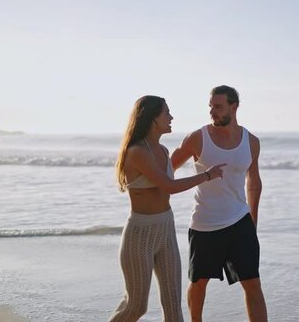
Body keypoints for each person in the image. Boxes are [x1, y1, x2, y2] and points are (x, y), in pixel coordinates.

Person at [110, 95, 225, 322]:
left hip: (165, 229)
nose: (171, 117)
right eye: (166, 113)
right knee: (135, 306)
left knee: (173, 307)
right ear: (153, 118)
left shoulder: (162, 151)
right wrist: (207, 175)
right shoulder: (137, 152)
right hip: (139, 235)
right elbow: (169, 186)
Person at [171, 85, 267, 322]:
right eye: (211, 106)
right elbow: (167, 170)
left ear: (234, 107)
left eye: (218, 106)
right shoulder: (197, 138)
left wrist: (252, 222)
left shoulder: (251, 141)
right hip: (205, 224)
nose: (212, 112)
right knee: (199, 283)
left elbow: (253, 183)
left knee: (252, 283)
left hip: (240, 222)